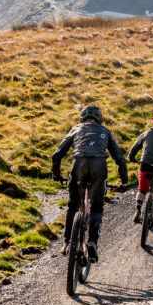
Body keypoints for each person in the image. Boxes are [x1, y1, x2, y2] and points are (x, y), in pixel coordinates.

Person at [51, 104, 129, 262]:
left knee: (73, 205)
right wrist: (124, 181)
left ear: (82, 117)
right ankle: (92, 242)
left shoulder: (76, 128)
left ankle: (66, 243)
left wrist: (56, 174)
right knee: (97, 206)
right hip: (98, 166)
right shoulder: (105, 131)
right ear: (99, 119)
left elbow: (57, 154)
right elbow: (119, 158)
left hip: (79, 163)